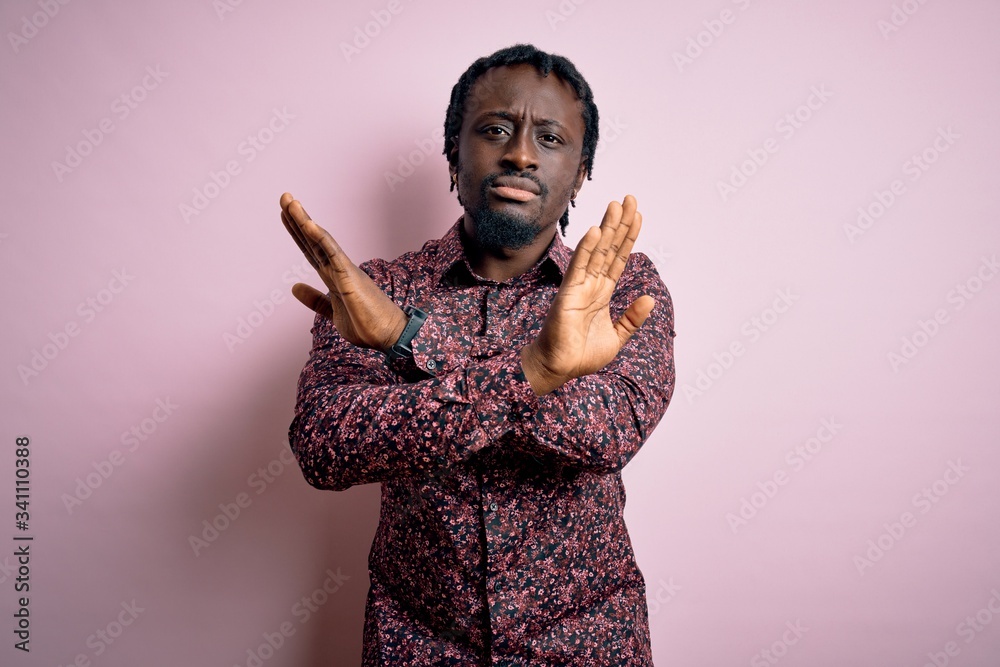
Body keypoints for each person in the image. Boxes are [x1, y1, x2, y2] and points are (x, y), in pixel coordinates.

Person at [281, 43, 676, 666]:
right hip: (415, 644)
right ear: (453, 153)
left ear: (580, 172)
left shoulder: (625, 289)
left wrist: (408, 345)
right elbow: (326, 450)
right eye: (495, 130)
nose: (520, 153)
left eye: (550, 138)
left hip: (586, 644)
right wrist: (538, 374)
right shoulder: (376, 292)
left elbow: (607, 434)